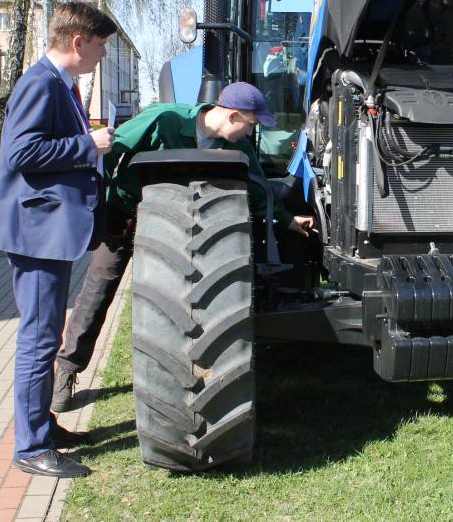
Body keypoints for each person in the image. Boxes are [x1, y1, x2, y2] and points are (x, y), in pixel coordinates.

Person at [51, 82, 314, 412]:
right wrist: (99, 203)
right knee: (98, 291)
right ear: (233, 115)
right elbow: (111, 151)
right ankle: (68, 369)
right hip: (126, 218)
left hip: (180, 235)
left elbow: (258, 189)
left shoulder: (238, 150)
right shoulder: (165, 120)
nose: (251, 132)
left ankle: (177, 377)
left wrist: (289, 220)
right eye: (251, 124)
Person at [0, 2, 118, 479]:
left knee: (44, 336)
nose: (103, 53)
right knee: (39, 340)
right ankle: (31, 448)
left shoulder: (60, 85)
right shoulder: (41, 83)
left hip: (47, 233)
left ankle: (43, 425)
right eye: (101, 44)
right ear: (78, 42)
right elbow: (23, 152)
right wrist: (91, 145)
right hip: (36, 235)